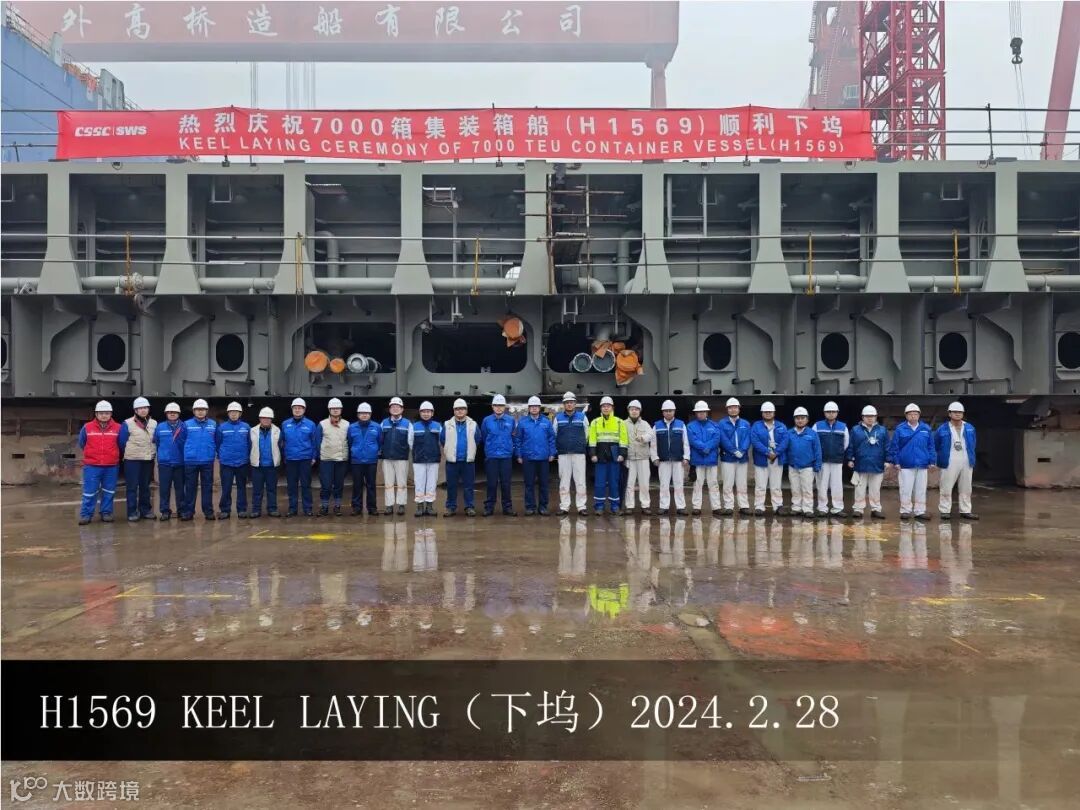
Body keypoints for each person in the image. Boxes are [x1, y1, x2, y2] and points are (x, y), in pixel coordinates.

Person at [887, 403, 935, 521]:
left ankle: (920, 511)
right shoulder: (900, 429)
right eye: (910, 414)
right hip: (905, 464)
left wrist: (932, 460)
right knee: (905, 488)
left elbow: (931, 446)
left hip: (922, 464)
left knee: (921, 489)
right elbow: (895, 447)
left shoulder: (926, 428)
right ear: (906, 415)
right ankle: (905, 511)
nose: (913, 416)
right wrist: (896, 461)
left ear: (919, 415)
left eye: (915, 414)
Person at [78, 401, 121, 524]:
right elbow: (82, 443)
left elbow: (121, 444)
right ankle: (86, 515)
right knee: (90, 491)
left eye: (106, 413)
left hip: (111, 466)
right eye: (101, 413)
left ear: (111, 414)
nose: (104, 415)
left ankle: (106, 513)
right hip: (92, 466)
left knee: (109, 491)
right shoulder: (87, 427)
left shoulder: (118, 428)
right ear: (96, 414)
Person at [935, 401, 978, 520]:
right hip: (949, 459)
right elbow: (936, 444)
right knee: (946, 486)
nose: (957, 414)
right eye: (955, 412)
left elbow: (973, 443)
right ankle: (945, 510)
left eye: (960, 412)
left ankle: (966, 510)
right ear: (949, 414)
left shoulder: (970, 428)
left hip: (966, 459)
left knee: (966, 487)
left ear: (963, 414)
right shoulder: (942, 429)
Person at [588, 395, 628, 516]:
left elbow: (623, 439)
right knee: (599, 483)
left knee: (614, 482)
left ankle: (614, 506)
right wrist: (592, 454)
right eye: (604, 406)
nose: (606, 408)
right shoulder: (595, 422)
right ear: (601, 408)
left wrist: (622, 454)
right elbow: (592, 440)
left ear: (612, 408)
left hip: (614, 457)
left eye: (608, 406)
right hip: (600, 457)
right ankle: (599, 506)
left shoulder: (619, 422)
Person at [516, 396, 556, 516]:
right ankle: (530, 507)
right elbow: (518, 439)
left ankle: (543, 507)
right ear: (529, 408)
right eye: (532, 406)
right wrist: (519, 454)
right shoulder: (522, 422)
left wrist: (552, 453)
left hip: (543, 458)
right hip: (528, 458)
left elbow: (551, 438)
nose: (534, 408)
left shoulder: (546, 422)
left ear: (539, 408)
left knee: (544, 484)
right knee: (529, 484)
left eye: (536, 406)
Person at [280, 397, 320, 517]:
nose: (297, 410)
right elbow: (282, 442)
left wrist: (314, 457)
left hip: (305, 459)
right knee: (291, 486)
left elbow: (315, 442)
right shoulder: (285, 424)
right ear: (292, 409)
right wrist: (284, 456)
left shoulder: (310, 424)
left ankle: (307, 508)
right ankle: (292, 509)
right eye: (295, 408)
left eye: (300, 408)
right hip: (291, 459)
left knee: (306, 485)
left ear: (304, 410)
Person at [119, 396, 157, 521]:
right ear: (135, 410)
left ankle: (145, 510)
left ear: (148, 409)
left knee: (145, 486)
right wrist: (131, 453)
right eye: (140, 408)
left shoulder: (154, 423)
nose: (143, 410)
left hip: (147, 459)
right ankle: (132, 512)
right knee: (132, 487)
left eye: (145, 407)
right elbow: (122, 442)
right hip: (132, 460)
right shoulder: (127, 423)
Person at [847, 405, 888, 519]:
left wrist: (888, 460)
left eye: (872, 416)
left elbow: (887, 446)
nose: (870, 418)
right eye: (867, 416)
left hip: (877, 464)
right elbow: (851, 445)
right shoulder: (855, 430)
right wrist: (850, 458)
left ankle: (876, 509)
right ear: (862, 417)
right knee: (859, 488)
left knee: (875, 489)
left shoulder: (882, 430)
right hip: (860, 464)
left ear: (876, 417)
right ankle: (858, 509)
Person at [442, 398, 480, 517]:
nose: (459, 411)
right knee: (451, 486)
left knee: (468, 486)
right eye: (457, 409)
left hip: (467, 461)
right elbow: (443, 440)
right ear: (454, 411)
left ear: (466, 410)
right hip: (452, 461)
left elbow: (478, 439)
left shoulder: (473, 424)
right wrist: (449, 451)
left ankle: (469, 507)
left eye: (462, 409)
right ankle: (451, 507)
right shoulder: (447, 424)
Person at [181, 398, 217, 521]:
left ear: (207, 411)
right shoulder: (186, 424)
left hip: (207, 460)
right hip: (191, 461)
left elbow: (217, 440)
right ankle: (188, 512)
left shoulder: (213, 424)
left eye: (202, 409)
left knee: (207, 487)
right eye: (198, 409)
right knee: (190, 487)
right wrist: (188, 453)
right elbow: (181, 441)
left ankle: (208, 511)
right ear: (194, 411)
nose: (200, 412)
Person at [554, 391, 589, 517]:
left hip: (579, 454)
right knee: (564, 481)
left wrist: (580, 445)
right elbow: (554, 434)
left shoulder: (582, 417)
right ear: (564, 404)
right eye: (567, 402)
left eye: (571, 402)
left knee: (580, 481)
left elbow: (587, 434)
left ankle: (581, 506)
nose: (569, 404)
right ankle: (564, 507)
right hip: (563, 454)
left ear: (575, 404)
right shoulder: (558, 418)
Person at [481, 394, 517, 517]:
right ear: (492, 406)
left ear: (504, 407)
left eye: (501, 405)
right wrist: (490, 450)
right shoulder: (486, 420)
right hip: (492, 456)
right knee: (491, 483)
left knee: (506, 483)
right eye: (496, 405)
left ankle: (507, 508)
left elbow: (513, 436)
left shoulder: (511, 420)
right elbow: (484, 436)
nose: (498, 408)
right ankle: (489, 507)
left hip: (506, 456)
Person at [651, 399, 689, 516]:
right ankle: (663, 506)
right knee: (664, 484)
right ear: (663, 412)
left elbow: (685, 442)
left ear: (674, 411)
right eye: (666, 411)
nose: (668, 412)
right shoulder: (657, 425)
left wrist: (686, 457)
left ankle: (681, 507)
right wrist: (655, 457)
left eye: (670, 410)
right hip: (663, 460)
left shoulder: (681, 424)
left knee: (679, 483)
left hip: (678, 459)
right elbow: (653, 443)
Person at [750, 401, 788, 516]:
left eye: (770, 412)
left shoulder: (781, 426)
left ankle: (778, 506)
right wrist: (767, 452)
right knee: (760, 485)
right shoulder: (756, 426)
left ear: (774, 413)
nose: (768, 413)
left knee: (776, 485)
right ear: (762, 413)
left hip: (776, 458)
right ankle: (759, 506)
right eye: (765, 412)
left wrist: (776, 453)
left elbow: (785, 441)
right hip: (761, 459)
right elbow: (755, 441)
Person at [215, 401, 251, 519]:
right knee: (226, 487)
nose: (234, 414)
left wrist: (246, 456)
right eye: (231, 412)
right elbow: (218, 443)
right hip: (226, 463)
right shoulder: (222, 428)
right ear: (228, 413)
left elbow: (249, 443)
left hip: (242, 462)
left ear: (240, 413)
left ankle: (242, 509)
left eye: (236, 412)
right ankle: (225, 510)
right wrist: (222, 456)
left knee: (241, 487)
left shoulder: (246, 427)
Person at [814, 401, 849, 518]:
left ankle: (837, 508)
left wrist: (838, 452)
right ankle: (822, 508)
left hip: (837, 460)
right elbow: (814, 443)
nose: (831, 413)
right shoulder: (817, 426)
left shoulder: (843, 427)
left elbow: (846, 443)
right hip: (822, 460)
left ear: (837, 413)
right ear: (824, 413)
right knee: (821, 484)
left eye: (833, 411)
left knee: (837, 485)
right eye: (828, 411)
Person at [718, 397, 752, 516]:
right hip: (728, 458)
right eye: (730, 408)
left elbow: (748, 438)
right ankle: (729, 506)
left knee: (742, 483)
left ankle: (744, 506)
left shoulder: (745, 423)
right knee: (728, 483)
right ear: (727, 409)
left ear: (739, 409)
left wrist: (742, 450)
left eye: (735, 407)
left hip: (742, 458)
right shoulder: (722, 423)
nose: (733, 409)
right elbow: (723, 439)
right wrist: (733, 450)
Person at [687, 400, 722, 516]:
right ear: (695, 413)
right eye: (699, 412)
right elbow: (692, 440)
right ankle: (696, 507)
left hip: (711, 459)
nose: (701, 413)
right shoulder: (690, 426)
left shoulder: (714, 425)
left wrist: (707, 448)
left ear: (707, 412)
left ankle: (716, 507)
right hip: (697, 460)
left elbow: (716, 439)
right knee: (697, 483)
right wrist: (704, 448)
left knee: (713, 483)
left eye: (703, 411)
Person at [787, 406, 822, 519]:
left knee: (807, 489)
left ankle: (807, 509)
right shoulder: (789, 433)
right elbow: (784, 448)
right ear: (794, 419)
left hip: (807, 466)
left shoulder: (812, 433)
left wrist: (817, 465)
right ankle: (796, 507)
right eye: (797, 418)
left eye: (802, 418)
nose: (800, 420)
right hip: (793, 466)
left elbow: (817, 450)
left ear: (807, 419)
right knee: (795, 488)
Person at [153, 402, 185, 521]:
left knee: (180, 489)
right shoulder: (160, 427)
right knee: (164, 489)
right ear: (166, 413)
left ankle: (181, 510)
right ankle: (165, 511)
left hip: (180, 463)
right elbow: (157, 442)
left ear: (178, 414)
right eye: (170, 412)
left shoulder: (184, 427)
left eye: (174, 412)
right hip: (165, 463)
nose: (172, 414)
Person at [348, 402, 382, 516]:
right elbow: (350, 442)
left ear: (370, 414)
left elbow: (380, 441)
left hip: (371, 461)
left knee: (371, 485)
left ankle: (372, 507)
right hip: (356, 461)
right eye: (362, 413)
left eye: (366, 413)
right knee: (357, 485)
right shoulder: (352, 427)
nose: (364, 415)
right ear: (358, 414)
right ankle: (356, 507)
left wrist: (373, 451)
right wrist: (355, 451)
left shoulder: (377, 427)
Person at [380, 396, 412, 516]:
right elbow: (379, 440)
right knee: (388, 483)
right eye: (393, 407)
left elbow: (411, 441)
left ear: (402, 409)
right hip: (387, 458)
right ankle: (389, 505)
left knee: (401, 483)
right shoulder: (384, 423)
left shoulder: (408, 424)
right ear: (389, 409)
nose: (395, 409)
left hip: (401, 458)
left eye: (397, 407)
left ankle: (401, 505)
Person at [318, 398, 350, 516]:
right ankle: (324, 506)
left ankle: (337, 506)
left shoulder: (347, 424)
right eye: (333, 408)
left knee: (339, 485)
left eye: (337, 408)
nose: (335, 410)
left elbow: (350, 441)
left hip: (341, 460)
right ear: (329, 410)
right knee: (326, 485)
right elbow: (317, 441)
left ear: (341, 410)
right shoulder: (322, 424)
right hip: (326, 460)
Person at [412, 401, 443, 517]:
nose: (426, 414)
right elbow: (410, 442)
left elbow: (442, 441)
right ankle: (419, 507)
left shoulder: (438, 426)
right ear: (420, 413)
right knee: (419, 483)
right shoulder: (414, 426)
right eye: (423, 412)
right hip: (418, 460)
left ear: (432, 413)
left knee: (431, 483)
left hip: (433, 459)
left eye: (428, 411)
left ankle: (429, 506)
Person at [249, 407, 280, 518]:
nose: (266, 420)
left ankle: (272, 509)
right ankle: (256, 510)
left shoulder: (277, 431)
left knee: (272, 489)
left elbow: (281, 445)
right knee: (257, 490)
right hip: (258, 465)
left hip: (272, 465)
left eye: (268, 418)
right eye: (263, 418)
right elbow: (249, 446)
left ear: (272, 419)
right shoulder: (252, 431)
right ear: (260, 418)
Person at [623, 399, 653, 515]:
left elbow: (651, 435)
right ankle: (629, 506)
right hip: (629, 458)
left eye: (636, 409)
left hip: (643, 457)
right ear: (628, 410)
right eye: (632, 409)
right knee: (629, 483)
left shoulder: (645, 424)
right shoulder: (623, 424)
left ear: (640, 411)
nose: (634, 411)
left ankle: (645, 505)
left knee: (644, 483)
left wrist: (643, 438)